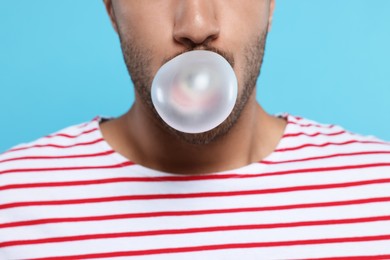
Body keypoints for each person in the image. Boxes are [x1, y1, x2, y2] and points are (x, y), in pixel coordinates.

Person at [1, 1, 390, 259]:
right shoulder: (11, 202)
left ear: (270, 4)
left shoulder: (378, 195)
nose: (197, 25)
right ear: (110, 9)